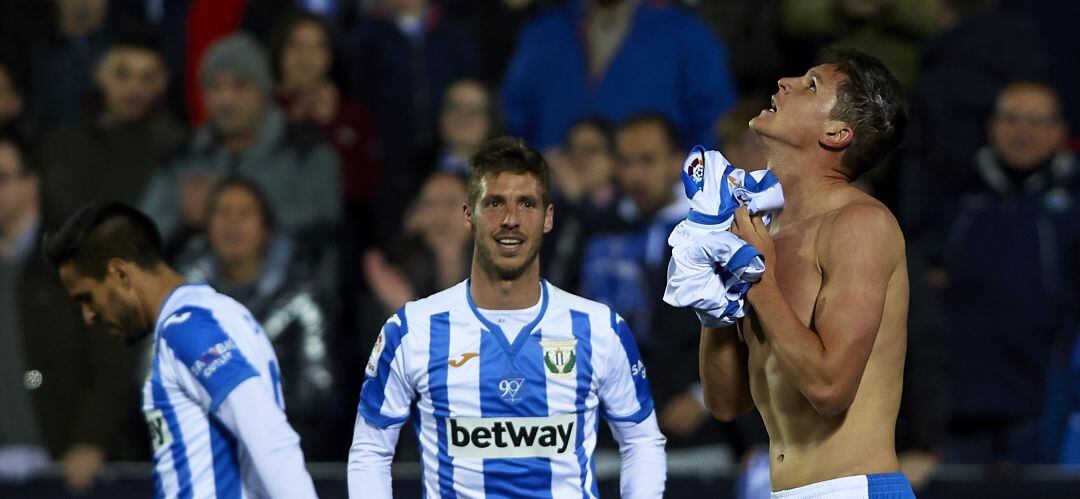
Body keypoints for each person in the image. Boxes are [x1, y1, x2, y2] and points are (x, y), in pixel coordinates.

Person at [348, 137, 667, 498]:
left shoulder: (599, 328)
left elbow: (642, 440)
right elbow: (370, 451)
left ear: (548, 217)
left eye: (527, 204)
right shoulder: (413, 329)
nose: (511, 220)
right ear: (469, 214)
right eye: (495, 203)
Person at [698, 48, 913, 496]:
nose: (785, 82)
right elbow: (725, 402)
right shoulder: (761, 232)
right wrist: (710, 293)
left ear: (837, 134)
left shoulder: (860, 226)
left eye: (811, 84)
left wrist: (757, 276)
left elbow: (830, 388)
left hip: (852, 488)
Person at [44, 202, 318, 498]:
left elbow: (269, 435)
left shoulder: (186, 329)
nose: (88, 316)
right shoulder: (228, 315)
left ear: (121, 274)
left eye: (87, 298)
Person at [927, 81, 1080, 464]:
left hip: (1046, 409)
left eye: (1037, 120)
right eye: (1011, 119)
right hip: (958, 411)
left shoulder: (1073, 206)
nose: (1023, 131)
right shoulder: (956, 201)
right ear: (992, 126)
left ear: (1061, 132)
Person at [176, 177, 339, 459]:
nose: (232, 224)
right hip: (198, 444)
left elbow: (316, 387)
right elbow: (153, 373)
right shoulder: (184, 291)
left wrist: (248, 410)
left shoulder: (301, 292)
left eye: (244, 213)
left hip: (280, 449)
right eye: (222, 213)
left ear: (265, 228)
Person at [139, 32, 342, 249]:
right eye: (215, 87)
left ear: (264, 91)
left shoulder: (308, 154)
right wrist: (181, 220)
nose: (226, 99)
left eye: (240, 85)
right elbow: (142, 238)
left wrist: (226, 214)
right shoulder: (182, 159)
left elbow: (325, 237)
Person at [501, 0, 738, 150]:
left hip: (654, 208)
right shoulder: (543, 34)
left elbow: (716, 123)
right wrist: (539, 166)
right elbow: (513, 120)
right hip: (556, 201)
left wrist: (674, 177)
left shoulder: (687, 35)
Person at [37, 27, 185, 231]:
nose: (135, 88)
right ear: (99, 73)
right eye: (122, 74)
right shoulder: (63, 143)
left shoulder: (175, 146)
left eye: (147, 77)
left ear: (162, 83)